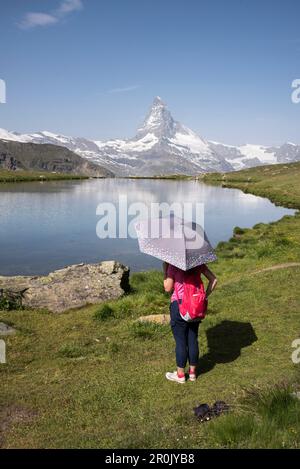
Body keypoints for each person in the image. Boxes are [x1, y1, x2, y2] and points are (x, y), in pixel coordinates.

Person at [163, 261, 217, 383]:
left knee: (181, 341)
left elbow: (167, 288)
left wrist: (165, 270)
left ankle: (181, 375)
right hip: (195, 305)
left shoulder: (174, 264)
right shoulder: (198, 263)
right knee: (193, 338)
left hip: (179, 305)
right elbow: (214, 280)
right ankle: (192, 373)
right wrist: (204, 297)